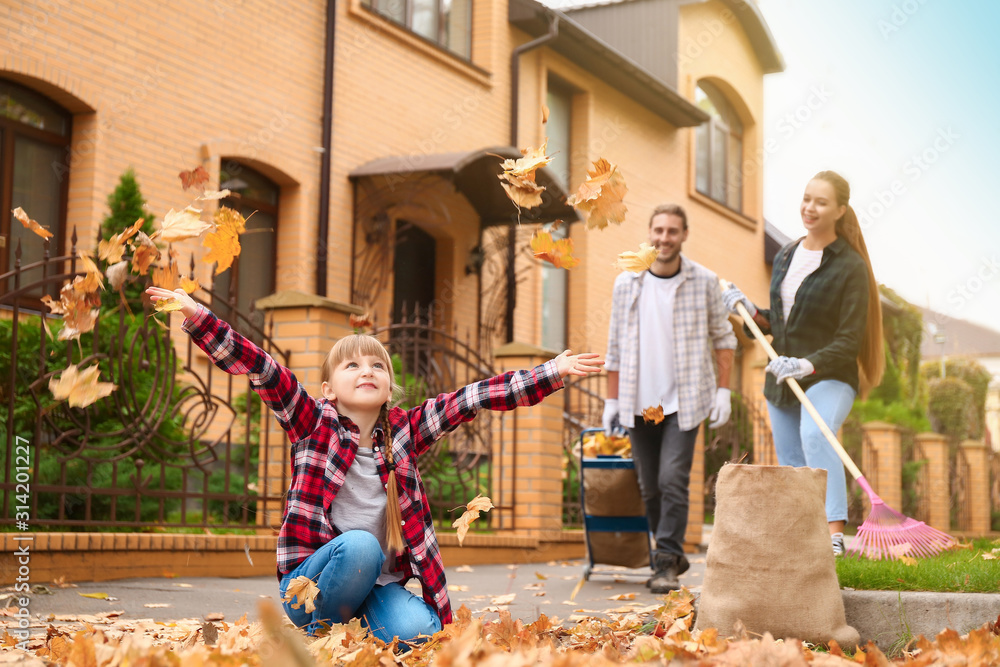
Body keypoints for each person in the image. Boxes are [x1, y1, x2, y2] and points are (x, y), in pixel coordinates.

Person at [146, 285, 603, 642]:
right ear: (327, 389)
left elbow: (470, 398)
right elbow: (262, 368)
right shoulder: (311, 423)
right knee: (362, 545)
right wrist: (197, 316)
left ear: (389, 386)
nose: (366, 371)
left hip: (377, 586)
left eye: (376, 366)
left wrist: (548, 373)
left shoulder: (405, 433)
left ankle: (357, 628)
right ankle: (320, 629)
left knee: (418, 633)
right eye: (351, 366)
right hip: (313, 585)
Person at [721, 170, 884, 556]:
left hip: (829, 376)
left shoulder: (851, 267)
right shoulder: (786, 255)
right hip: (782, 379)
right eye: (807, 198)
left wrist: (807, 365)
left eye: (821, 202)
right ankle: (805, 541)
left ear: (840, 210)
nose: (810, 208)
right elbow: (779, 321)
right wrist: (747, 312)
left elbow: (848, 340)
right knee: (793, 464)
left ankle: (834, 536)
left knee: (816, 434)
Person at [603, 204, 736, 594]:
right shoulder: (628, 282)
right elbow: (613, 345)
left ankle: (664, 564)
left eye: (672, 231)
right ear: (649, 232)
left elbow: (724, 338)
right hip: (639, 402)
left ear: (684, 235)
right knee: (650, 486)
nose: (664, 238)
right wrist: (611, 401)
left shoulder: (705, 281)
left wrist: (724, 390)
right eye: (658, 230)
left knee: (672, 480)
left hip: (683, 401)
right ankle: (672, 551)